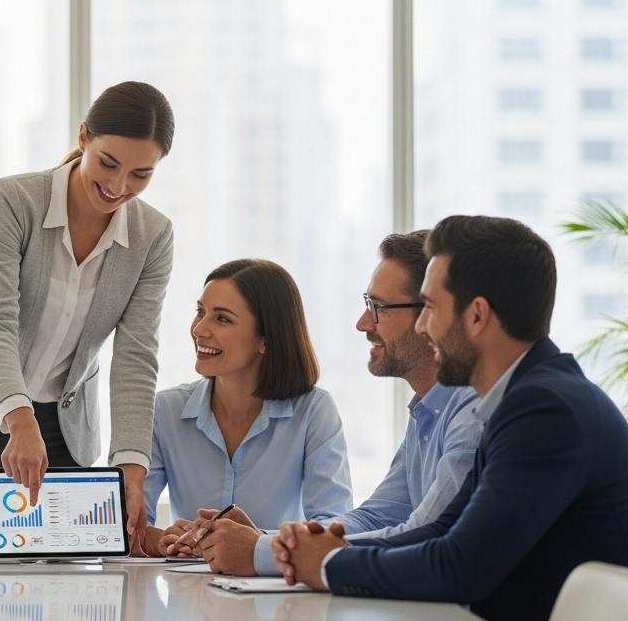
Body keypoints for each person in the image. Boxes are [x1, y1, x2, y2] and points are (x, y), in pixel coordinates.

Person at [271, 216, 628, 621]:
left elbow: (459, 566)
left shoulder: (545, 410)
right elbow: (442, 532)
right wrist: (329, 556)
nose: (422, 327)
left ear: (476, 315)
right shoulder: (523, 399)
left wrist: (331, 563)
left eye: (430, 308)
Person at [0, 81, 175, 552]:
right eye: (108, 163)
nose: (119, 186)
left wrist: (132, 472)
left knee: (63, 587)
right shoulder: (15, 200)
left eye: (141, 174)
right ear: (83, 137)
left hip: (63, 434)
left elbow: (136, 359)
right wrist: (20, 421)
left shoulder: (152, 236)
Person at [170, 232, 482, 575]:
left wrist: (262, 551)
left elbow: (426, 533)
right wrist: (265, 540)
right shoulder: (426, 411)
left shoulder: (471, 411)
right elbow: (375, 517)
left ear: (434, 315)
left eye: (377, 308)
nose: (363, 324)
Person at [136, 259, 352, 557]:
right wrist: (165, 540)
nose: (199, 329)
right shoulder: (165, 410)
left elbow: (334, 527)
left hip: (276, 583)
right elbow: (130, 525)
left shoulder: (313, 410)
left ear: (266, 338)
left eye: (222, 319)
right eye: (200, 312)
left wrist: (256, 543)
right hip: (187, 584)